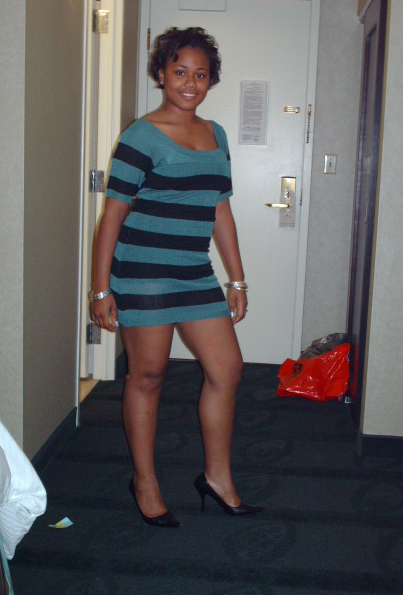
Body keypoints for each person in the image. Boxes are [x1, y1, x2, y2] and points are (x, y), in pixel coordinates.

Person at [90, 26, 263, 527]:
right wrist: (101, 289)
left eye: (200, 75)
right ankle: (145, 481)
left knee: (227, 369)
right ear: (161, 74)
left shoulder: (217, 135)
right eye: (180, 71)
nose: (190, 83)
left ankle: (217, 477)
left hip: (193, 272)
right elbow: (113, 214)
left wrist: (237, 279)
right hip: (143, 273)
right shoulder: (140, 136)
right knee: (148, 375)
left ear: (211, 80)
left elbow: (220, 210)